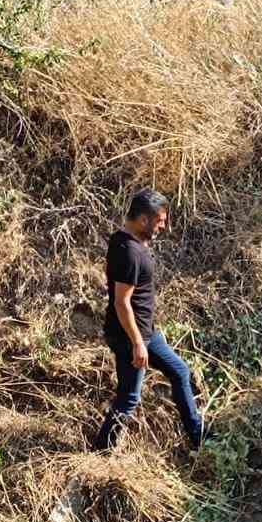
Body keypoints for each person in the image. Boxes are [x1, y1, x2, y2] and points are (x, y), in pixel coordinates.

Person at [92, 189, 203, 452]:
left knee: (179, 371)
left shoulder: (123, 239)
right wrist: (138, 343)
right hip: (132, 337)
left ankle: (199, 436)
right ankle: (101, 450)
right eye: (160, 221)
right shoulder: (130, 253)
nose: (164, 226)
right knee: (129, 398)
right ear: (143, 219)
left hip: (144, 332)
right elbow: (122, 302)